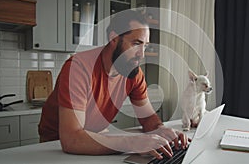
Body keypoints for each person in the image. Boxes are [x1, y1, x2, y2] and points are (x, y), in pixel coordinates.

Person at [38, 10, 189, 160]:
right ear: (114, 38)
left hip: (96, 137)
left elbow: (147, 117)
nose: (142, 55)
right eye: (136, 44)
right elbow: (72, 139)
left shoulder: (133, 73)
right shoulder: (78, 68)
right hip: (56, 146)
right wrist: (132, 142)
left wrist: (161, 130)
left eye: (145, 46)